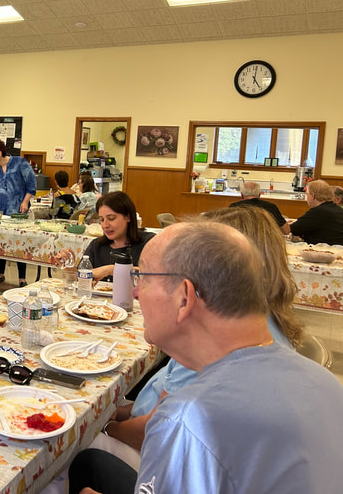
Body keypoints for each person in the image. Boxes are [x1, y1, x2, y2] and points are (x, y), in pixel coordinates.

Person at [69, 221, 343, 494]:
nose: (136, 292)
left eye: (145, 279)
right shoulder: (325, 382)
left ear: (184, 298)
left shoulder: (189, 420)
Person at [88, 205, 302, 471]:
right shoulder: (261, 329)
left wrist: (109, 427)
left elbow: (160, 429)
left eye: (146, 279)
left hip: (156, 455)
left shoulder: (214, 346)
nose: (136, 292)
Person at [0, 139, 36, 286]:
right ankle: (0, 274)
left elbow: (31, 186)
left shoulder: (20, 163)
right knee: (1, 242)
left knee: (20, 243)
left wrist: (25, 201)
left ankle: (22, 278)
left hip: (18, 211)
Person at [83, 192, 154, 281]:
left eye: (111, 218)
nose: (105, 225)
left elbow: (156, 275)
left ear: (128, 217)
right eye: (102, 219)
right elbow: (81, 278)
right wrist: (68, 266)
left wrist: (110, 270)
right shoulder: (96, 246)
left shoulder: (149, 243)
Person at [290, 179, 343, 245]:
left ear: (313, 196)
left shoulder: (319, 211)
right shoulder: (337, 209)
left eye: (307, 195)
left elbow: (293, 229)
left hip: (326, 250)